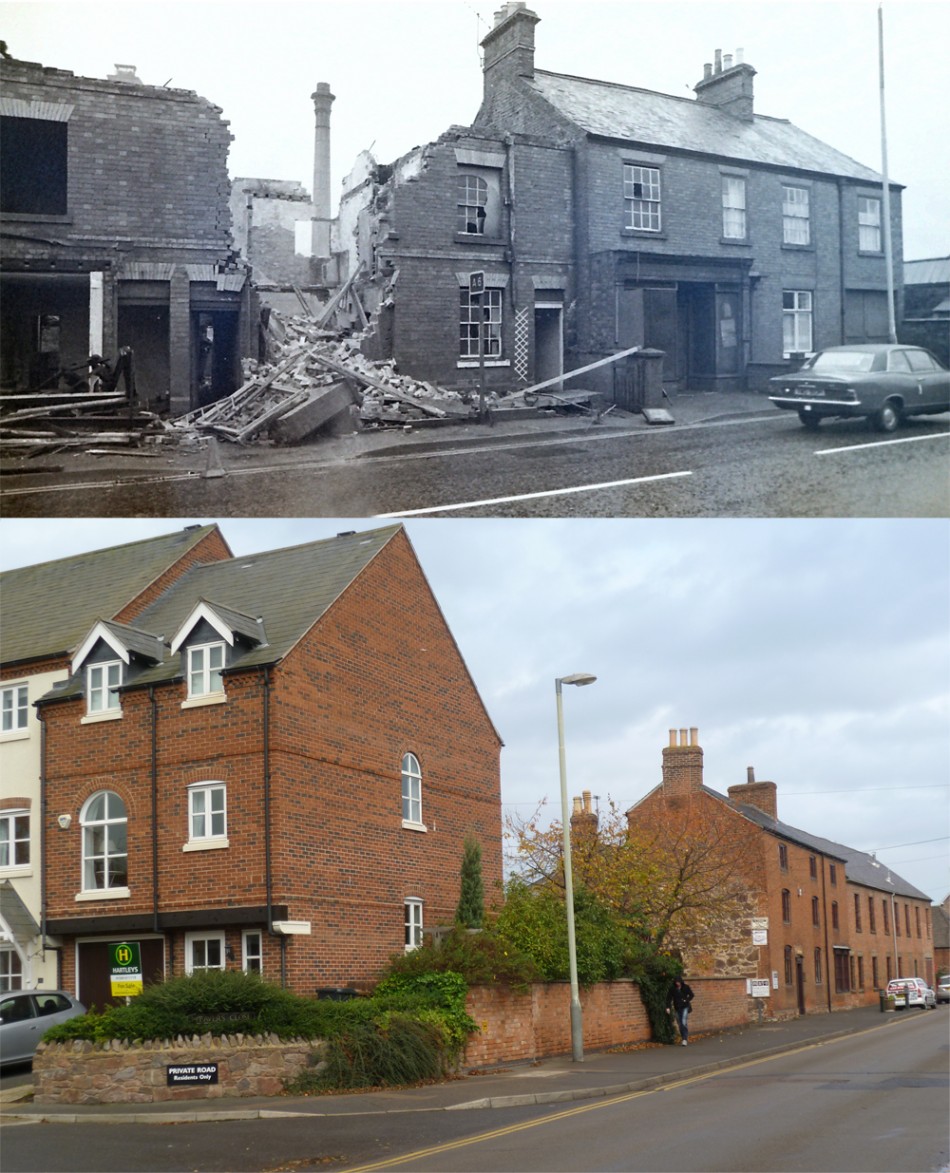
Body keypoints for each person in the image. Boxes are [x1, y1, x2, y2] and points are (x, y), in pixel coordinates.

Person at [666, 976, 694, 1045]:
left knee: (683, 1022)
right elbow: (668, 998)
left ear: (681, 981)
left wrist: (686, 1000)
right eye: (676, 982)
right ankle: (683, 1037)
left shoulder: (686, 987)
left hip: (685, 1006)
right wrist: (668, 1007)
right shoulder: (672, 989)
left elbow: (691, 995)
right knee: (680, 1023)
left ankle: (685, 1039)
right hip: (677, 1007)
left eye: (678, 982)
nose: (677, 983)